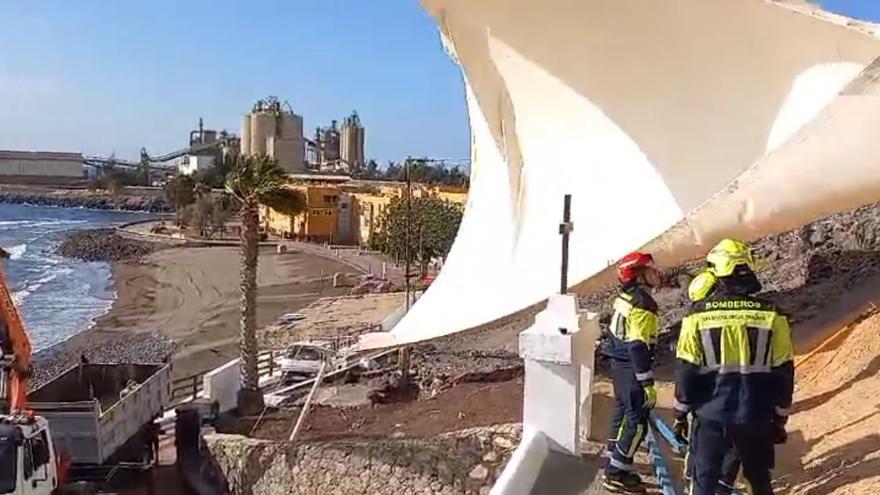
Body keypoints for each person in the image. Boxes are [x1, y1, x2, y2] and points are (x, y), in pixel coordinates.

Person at [673, 239, 794, 495]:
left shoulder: (696, 315)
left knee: (704, 483)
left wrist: (681, 413)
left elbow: (686, 369)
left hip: (711, 416)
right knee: (759, 481)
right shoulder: (772, 313)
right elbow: (783, 371)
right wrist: (780, 415)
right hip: (756, 415)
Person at [601, 251, 662, 494]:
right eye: (650, 270)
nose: (656, 273)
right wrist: (646, 380)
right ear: (638, 276)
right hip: (631, 365)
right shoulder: (643, 304)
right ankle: (616, 473)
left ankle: (614, 458)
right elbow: (638, 344)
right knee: (637, 421)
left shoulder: (624, 297)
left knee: (621, 412)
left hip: (617, 363)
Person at [681, 268, 742, 495]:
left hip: (707, 403)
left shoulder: (695, 321)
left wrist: (682, 406)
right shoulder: (739, 317)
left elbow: (687, 367)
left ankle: (696, 483)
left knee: (702, 451)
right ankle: (719, 485)